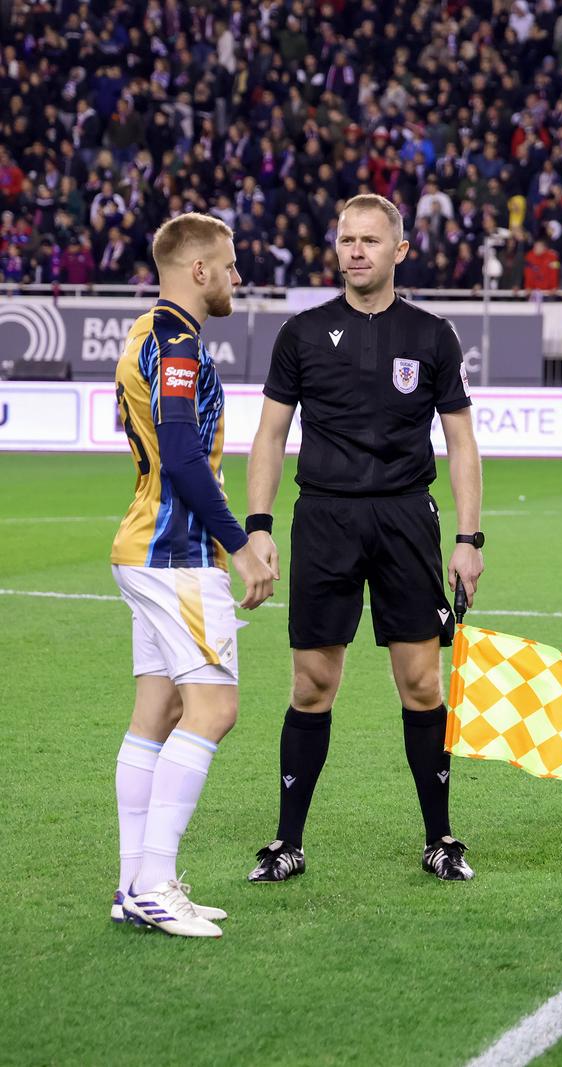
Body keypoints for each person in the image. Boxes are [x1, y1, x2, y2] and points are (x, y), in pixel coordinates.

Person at [243, 193, 487, 883]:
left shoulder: (432, 334)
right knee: (313, 682)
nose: (356, 250)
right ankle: (287, 842)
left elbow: (461, 443)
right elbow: (269, 434)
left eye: (370, 240)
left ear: (399, 251)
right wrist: (259, 526)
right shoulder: (302, 333)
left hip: (407, 517)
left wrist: (469, 537)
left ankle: (441, 836)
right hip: (324, 518)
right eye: (347, 239)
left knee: (420, 681)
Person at [110, 213, 275, 937]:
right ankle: (152, 880)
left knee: (159, 711)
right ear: (199, 270)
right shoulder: (177, 344)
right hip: (176, 554)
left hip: (144, 546)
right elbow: (180, 456)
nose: (238, 278)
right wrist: (239, 543)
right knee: (213, 709)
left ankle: (133, 882)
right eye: (231, 265)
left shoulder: (146, 332)